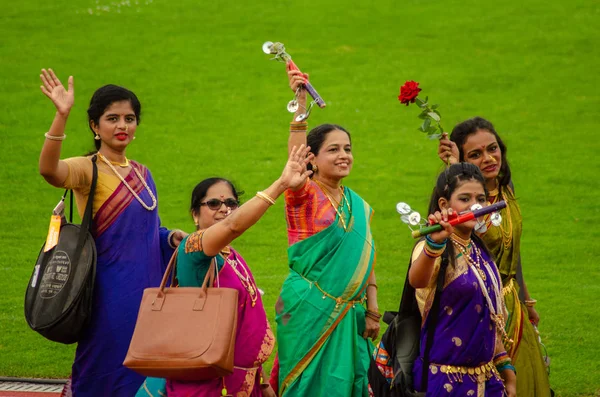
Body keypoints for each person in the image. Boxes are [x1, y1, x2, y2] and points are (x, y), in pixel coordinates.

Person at [38, 69, 186, 396]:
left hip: (147, 287)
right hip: (109, 291)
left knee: (145, 365)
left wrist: (169, 238)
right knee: (106, 363)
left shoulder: (143, 174)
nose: (122, 126)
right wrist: (61, 115)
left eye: (129, 118)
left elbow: (148, 231)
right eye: (112, 118)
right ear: (95, 126)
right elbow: (49, 170)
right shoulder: (86, 168)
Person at [136, 145, 313, 397]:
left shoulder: (232, 256)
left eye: (231, 202)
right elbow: (232, 225)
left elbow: (242, 325)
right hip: (207, 382)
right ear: (195, 214)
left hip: (242, 380)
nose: (224, 208)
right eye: (213, 203)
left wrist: (262, 383)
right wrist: (281, 184)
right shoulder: (193, 249)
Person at [271, 66, 380, 396]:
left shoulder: (357, 204)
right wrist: (300, 108)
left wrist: (373, 309)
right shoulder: (302, 194)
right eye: (333, 149)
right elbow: (294, 156)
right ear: (312, 159)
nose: (344, 155)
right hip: (307, 311)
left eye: (347, 148)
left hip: (352, 315)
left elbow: (366, 257)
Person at [438, 117, 552, 396]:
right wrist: (455, 170)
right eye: (475, 155)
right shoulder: (466, 207)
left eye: (493, 148)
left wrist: (527, 302)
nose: (489, 158)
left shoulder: (505, 191)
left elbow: (514, 252)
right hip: (482, 309)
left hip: (514, 306)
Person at [409, 163, 517, 396]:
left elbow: (490, 315)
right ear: (444, 205)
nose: (474, 206)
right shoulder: (433, 247)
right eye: (465, 199)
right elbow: (417, 281)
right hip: (445, 382)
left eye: (480, 198)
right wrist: (434, 244)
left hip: (489, 380)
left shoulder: (479, 250)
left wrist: (506, 369)